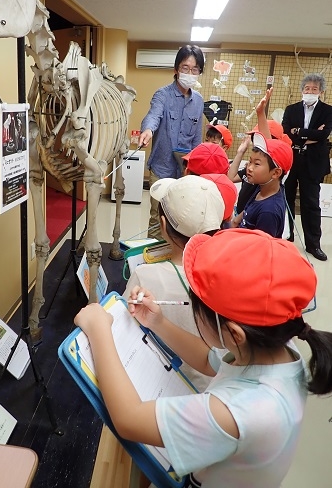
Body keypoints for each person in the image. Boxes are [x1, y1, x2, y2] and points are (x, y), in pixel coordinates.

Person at [74, 228, 332, 487]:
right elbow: (210, 360)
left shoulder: (237, 412)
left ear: (234, 333)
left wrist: (99, 331)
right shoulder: (276, 347)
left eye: (195, 304)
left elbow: (129, 419)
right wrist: (158, 321)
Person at [122, 175, 225, 391]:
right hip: (210, 390)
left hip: (154, 387)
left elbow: (124, 332)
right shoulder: (226, 278)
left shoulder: (144, 276)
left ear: (162, 225)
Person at [139, 44, 205, 239]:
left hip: (185, 172)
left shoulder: (199, 101)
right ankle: (151, 260)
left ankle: (171, 261)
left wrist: (196, 171)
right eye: (185, 68)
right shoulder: (163, 95)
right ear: (176, 70)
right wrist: (148, 130)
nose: (190, 73)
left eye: (195, 70)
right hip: (161, 169)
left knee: (181, 220)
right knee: (157, 218)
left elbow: (197, 139)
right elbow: (153, 115)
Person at [282, 73, 332, 261]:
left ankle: (313, 245)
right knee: (285, 199)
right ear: (302, 90)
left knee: (311, 203)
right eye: (307, 88)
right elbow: (286, 131)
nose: (310, 91)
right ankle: (286, 239)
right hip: (291, 159)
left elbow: (324, 134)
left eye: (314, 89)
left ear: (321, 91)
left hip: (314, 162)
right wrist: (308, 134)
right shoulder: (291, 109)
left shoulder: (328, 111)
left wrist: (299, 131)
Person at [231, 132, 293, 238]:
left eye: (257, 164)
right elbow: (244, 213)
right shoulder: (262, 188)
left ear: (276, 173)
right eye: (250, 162)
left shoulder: (269, 212)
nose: (249, 168)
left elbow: (261, 250)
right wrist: (233, 224)